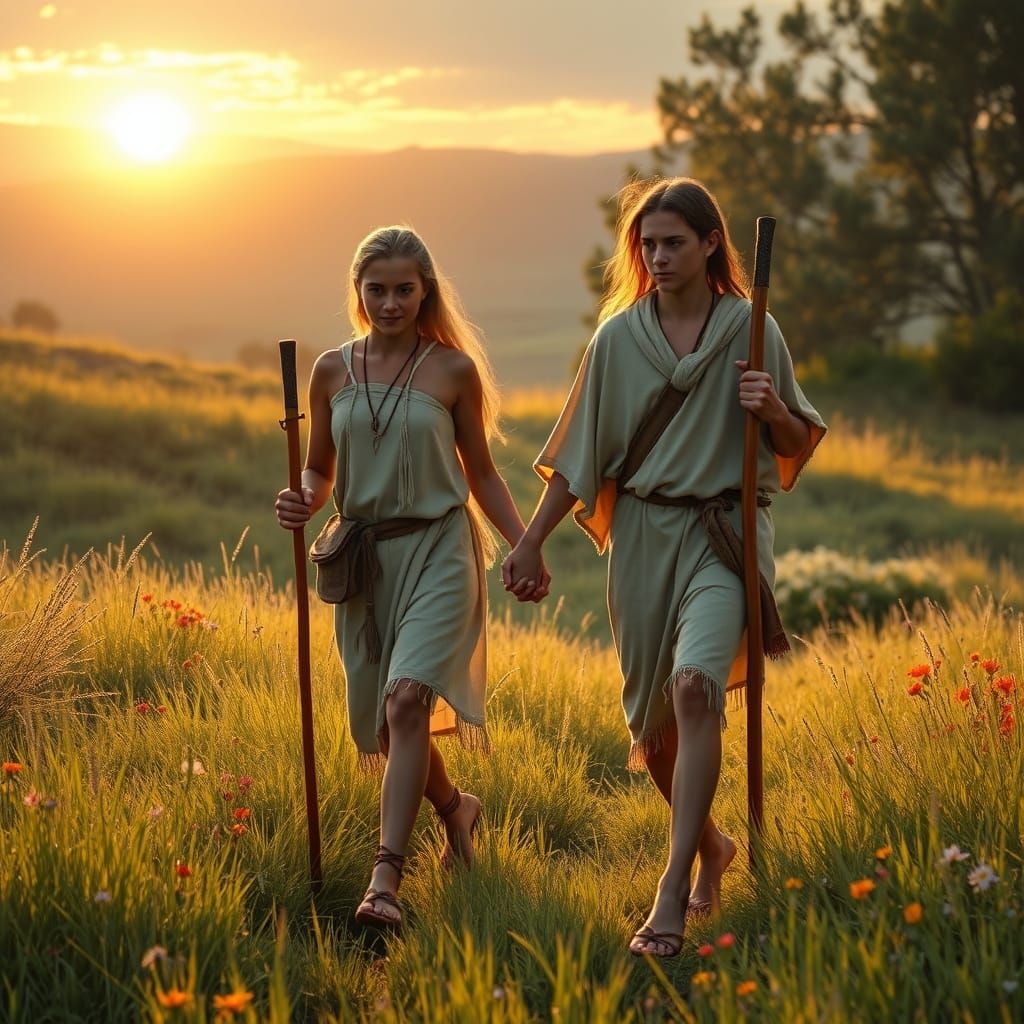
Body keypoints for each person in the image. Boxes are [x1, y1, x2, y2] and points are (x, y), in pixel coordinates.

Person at [502, 178, 825, 957]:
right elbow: (582, 458)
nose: (658, 255)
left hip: (725, 533)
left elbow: (794, 441)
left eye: (673, 241)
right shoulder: (618, 339)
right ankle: (712, 844)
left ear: (711, 243)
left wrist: (770, 406)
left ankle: (671, 890)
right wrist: (530, 540)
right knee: (653, 738)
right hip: (643, 538)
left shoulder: (753, 330)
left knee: (695, 686)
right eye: (647, 244)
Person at [275, 225, 537, 932]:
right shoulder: (331, 370)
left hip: (440, 552)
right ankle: (458, 809)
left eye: (403, 289)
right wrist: (302, 494)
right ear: (359, 293)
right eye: (377, 290)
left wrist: (525, 544)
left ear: (425, 292)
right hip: (364, 559)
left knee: (405, 701)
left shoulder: (452, 370)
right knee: (394, 728)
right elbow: (320, 468)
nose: (390, 302)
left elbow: (481, 472)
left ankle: (384, 879)